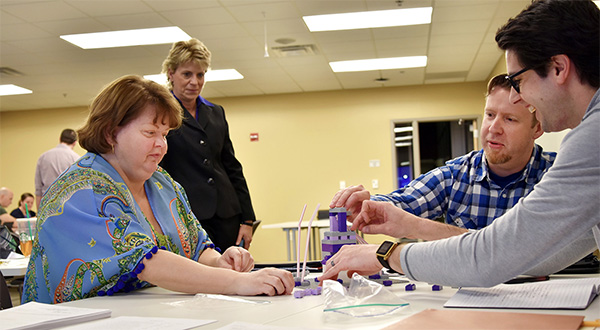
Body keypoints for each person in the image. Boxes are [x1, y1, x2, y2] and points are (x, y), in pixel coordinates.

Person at [320, 0, 599, 287]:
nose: (519, 97)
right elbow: (531, 258)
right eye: (490, 114)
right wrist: (388, 215)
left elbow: (493, 256)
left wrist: (388, 254)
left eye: (519, 81)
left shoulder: (590, 143)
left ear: (558, 68)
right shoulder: (460, 173)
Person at [22, 75, 294, 304]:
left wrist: (221, 261)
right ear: (109, 133)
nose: (162, 146)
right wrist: (239, 281)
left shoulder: (161, 182)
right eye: (150, 133)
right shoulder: (83, 189)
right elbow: (148, 263)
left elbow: (197, 247)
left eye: (164, 135)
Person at [331, 74, 554, 241]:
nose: (493, 128)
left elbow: (518, 247)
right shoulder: (456, 176)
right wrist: (367, 207)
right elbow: (406, 201)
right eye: (490, 115)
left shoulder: (557, 175)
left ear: (537, 129)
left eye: (510, 119)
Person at [159, 38, 256, 251]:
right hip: (187, 215)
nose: (195, 82)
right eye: (187, 74)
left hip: (227, 214)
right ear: (170, 73)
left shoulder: (216, 113)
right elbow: (158, 171)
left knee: (233, 274)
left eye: (200, 74)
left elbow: (231, 166)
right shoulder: (161, 114)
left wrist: (247, 220)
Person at [34, 128, 80, 210]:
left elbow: (38, 188)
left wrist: (39, 213)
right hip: (68, 206)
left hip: (47, 205)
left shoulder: (43, 157)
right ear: (75, 143)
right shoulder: (76, 159)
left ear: (59, 138)